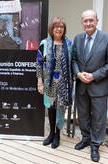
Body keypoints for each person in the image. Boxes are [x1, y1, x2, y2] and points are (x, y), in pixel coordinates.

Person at [72, 9, 108, 162]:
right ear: (82, 23)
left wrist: (93, 75)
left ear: (97, 21)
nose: (88, 23)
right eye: (85, 20)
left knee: (98, 118)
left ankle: (95, 145)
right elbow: (74, 60)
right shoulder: (77, 38)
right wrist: (78, 74)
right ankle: (85, 139)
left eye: (91, 20)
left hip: (99, 85)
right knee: (83, 115)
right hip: (81, 85)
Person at [36, 17, 73, 149]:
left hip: (64, 84)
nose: (59, 29)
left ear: (64, 29)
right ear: (51, 29)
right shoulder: (44, 43)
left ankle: (58, 135)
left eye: (61, 26)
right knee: (51, 108)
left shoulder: (69, 44)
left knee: (61, 109)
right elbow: (39, 63)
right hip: (49, 83)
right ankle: (51, 133)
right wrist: (39, 82)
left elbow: (73, 64)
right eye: (56, 26)